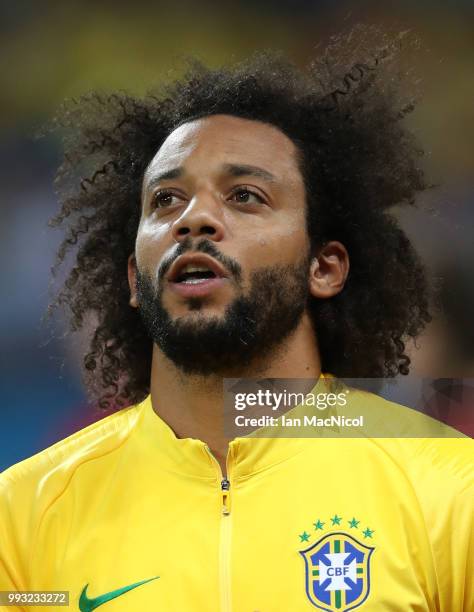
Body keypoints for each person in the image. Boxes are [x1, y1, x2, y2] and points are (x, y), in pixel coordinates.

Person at [1, 29, 472, 611]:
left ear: (323, 267)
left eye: (245, 195)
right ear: (132, 279)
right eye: (166, 200)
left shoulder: (451, 489)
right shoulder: (24, 512)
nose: (194, 219)